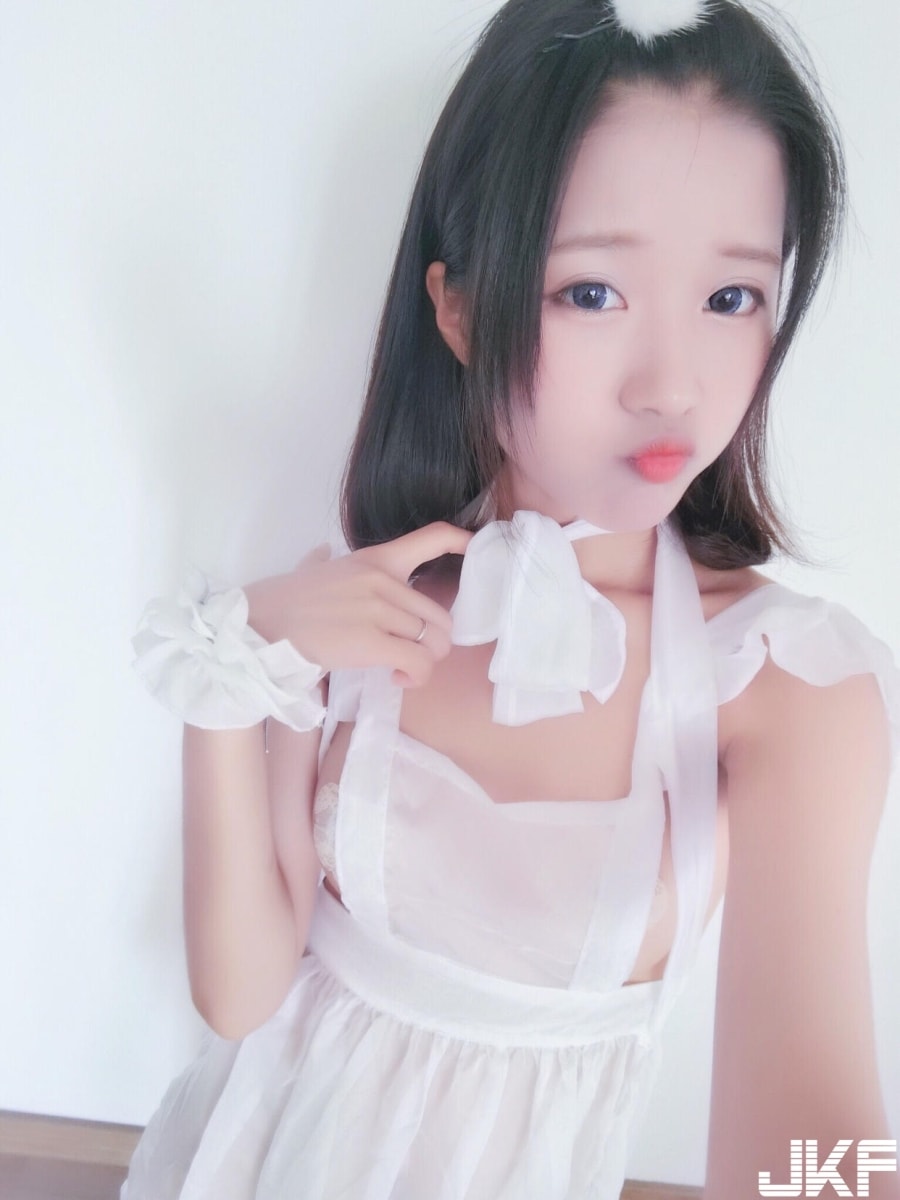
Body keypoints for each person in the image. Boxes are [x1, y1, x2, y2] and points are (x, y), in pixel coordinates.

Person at [125, 0, 899, 1196]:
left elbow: (818, 1133)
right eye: (592, 293)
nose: (672, 386)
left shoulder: (790, 682)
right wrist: (242, 660)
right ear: (456, 306)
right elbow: (240, 995)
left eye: (730, 299)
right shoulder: (350, 598)